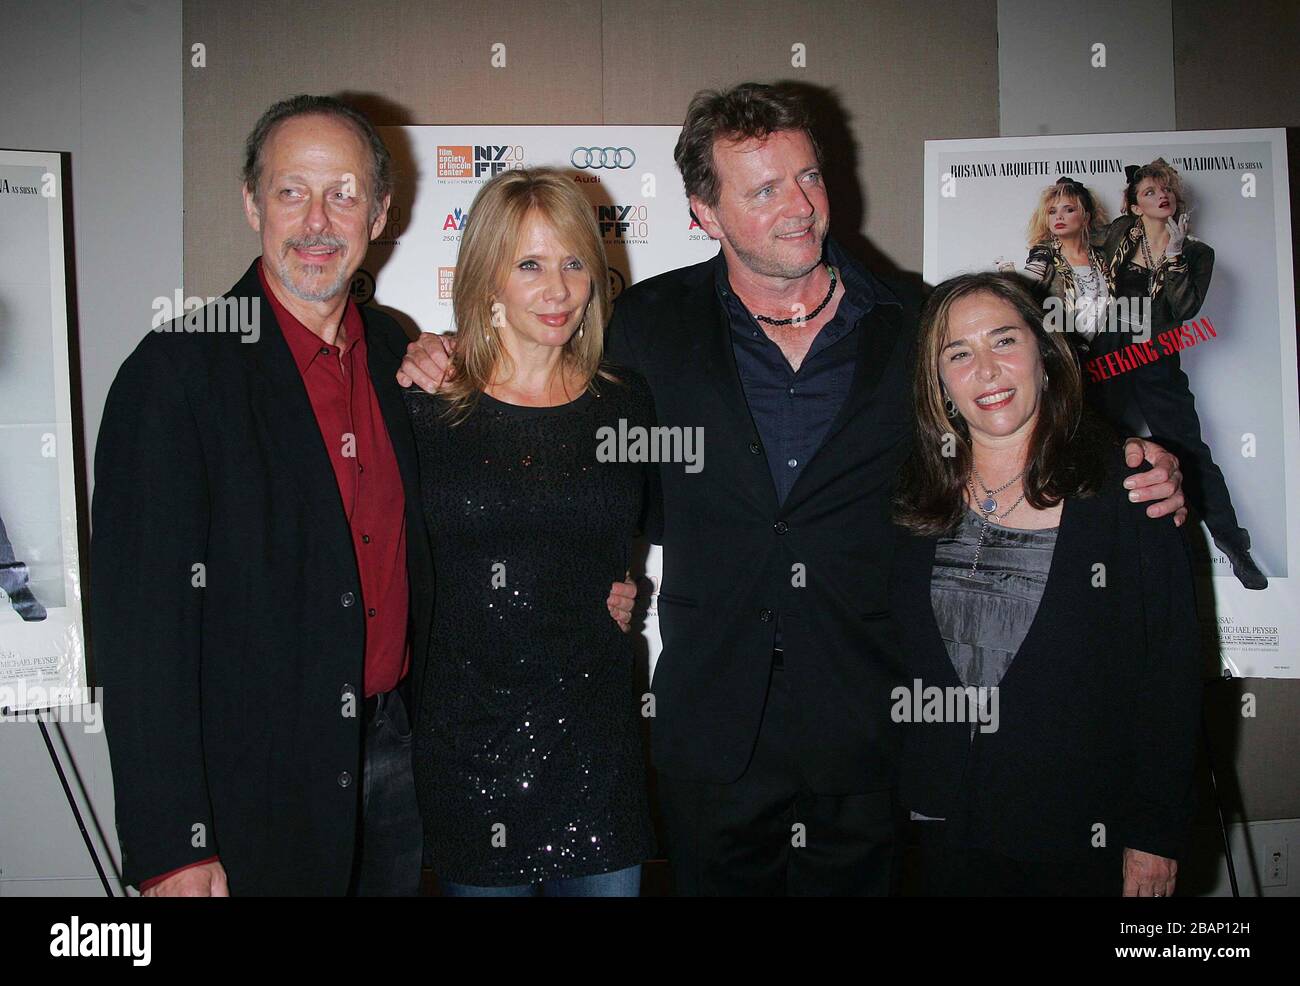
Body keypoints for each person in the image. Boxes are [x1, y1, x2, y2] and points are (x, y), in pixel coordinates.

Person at [399, 82, 1187, 896]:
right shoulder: (645, 327)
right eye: (764, 189)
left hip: (868, 729)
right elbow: (551, 416)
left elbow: (1020, 399)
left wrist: (1131, 454)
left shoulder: (911, 320)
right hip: (712, 733)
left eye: (808, 177)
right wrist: (450, 357)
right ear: (704, 212)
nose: (799, 206)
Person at [91, 95, 637, 896]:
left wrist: (597, 585)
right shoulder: (177, 374)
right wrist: (171, 843)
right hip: (254, 780)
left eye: (344, 192)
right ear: (252, 202)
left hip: (401, 755)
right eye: (291, 191)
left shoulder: (396, 354)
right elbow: (140, 635)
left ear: (380, 211)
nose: (318, 220)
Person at [891, 272, 1201, 896]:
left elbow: (1169, 674)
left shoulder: (1130, 489)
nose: (986, 369)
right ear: (940, 383)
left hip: (1078, 836)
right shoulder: (906, 496)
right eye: (959, 353)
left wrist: (1155, 833)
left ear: (1046, 354)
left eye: (1004, 340)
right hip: (935, 832)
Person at [402, 168, 656, 896]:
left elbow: (641, 530)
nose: (559, 289)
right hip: (468, 741)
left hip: (594, 742)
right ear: (488, 278)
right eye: (531, 265)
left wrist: (629, 586)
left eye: (575, 262)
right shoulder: (425, 406)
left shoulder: (626, 402)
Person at [1094, 159, 1265, 589]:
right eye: (1149, 192)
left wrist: (1173, 257)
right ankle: (1093, 549)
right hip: (1107, 349)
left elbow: (1186, 309)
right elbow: (1083, 269)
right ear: (1133, 205)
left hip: (1156, 354)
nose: (1162, 196)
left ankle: (1233, 544)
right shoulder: (1117, 235)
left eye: (1166, 189)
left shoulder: (1195, 252)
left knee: (1188, 448)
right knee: (1091, 441)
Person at [1017, 176, 1112, 342]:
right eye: (1052, 211)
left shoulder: (1102, 257)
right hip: (1065, 352)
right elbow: (1023, 295)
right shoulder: (1044, 256)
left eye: (1068, 210)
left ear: (1085, 218)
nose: (1059, 216)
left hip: (1103, 354)